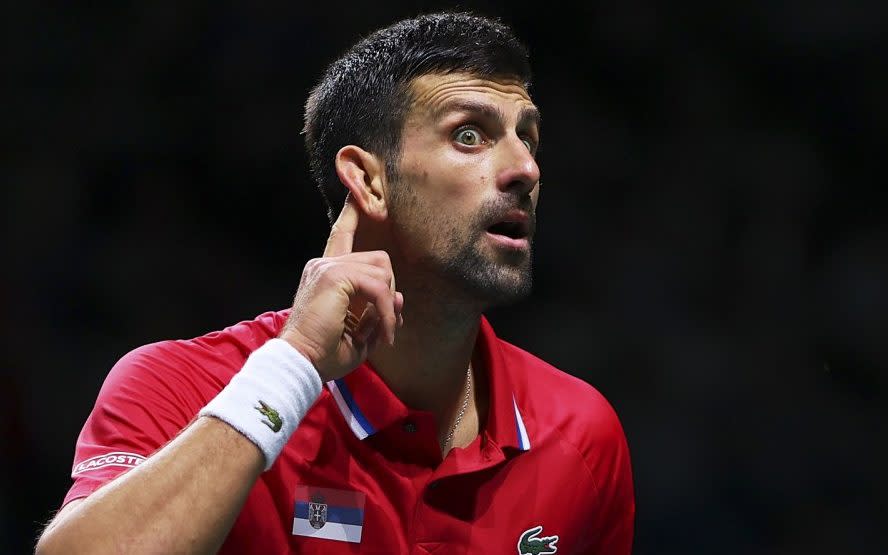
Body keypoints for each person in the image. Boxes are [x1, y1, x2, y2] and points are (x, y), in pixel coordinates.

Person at [37, 12, 634, 554]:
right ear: (369, 181)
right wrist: (295, 365)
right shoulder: (183, 387)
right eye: (469, 134)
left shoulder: (580, 433)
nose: (525, 169)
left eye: (526, 137)